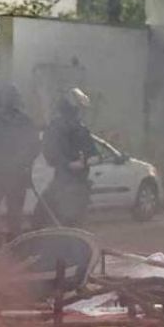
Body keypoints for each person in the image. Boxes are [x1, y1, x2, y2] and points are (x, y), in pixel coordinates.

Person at [36, 87, 99, 228]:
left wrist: (87, 161)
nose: (82, 113)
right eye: (80, 109)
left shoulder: (81, 129)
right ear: (73, 108)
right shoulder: (56, 128)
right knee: (52, 218)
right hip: (62, 184)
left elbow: (94, 154)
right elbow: (50, 153)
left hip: (79, 185)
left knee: (76, 222)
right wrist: (68, 164)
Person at [0, 85, 40, 240]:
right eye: (4, 97)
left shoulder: (24, 121)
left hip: (16, 174)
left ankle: (15, 244)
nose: (6, 101)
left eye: (9, 97)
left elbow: (34, 146)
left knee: (15, 213)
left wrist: (22, 163)